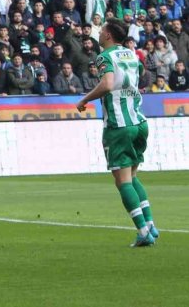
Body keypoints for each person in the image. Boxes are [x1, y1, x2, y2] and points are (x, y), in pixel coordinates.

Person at [76, 18, 157, 247]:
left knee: (122, 182)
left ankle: (143, 232)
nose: (99, 34)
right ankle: (150, 223)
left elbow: (108, 84)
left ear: (109, 35)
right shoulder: (132, 53)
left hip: (119, 125)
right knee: (132, 176)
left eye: (101, 31)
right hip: (139, 121)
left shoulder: (105, 56)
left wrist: (84, 99)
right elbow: (143, 74)